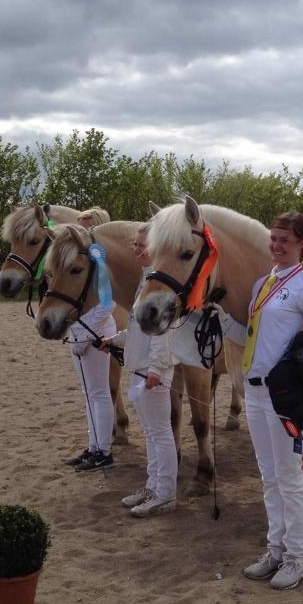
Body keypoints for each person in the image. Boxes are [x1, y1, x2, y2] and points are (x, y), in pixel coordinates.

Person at [216, 210, 303, 590]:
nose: (277, 245)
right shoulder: (262, 284)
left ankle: (296, 557)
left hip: (282, 396)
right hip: (253, 390)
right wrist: (217, 315)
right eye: (274, 238)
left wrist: (302, 388)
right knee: (268, 477)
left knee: (289, 477)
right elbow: (248, 333)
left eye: (285, 240)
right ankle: (276, 549)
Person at [100, 226, 178, 518]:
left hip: (152, 371)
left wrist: (157, 367)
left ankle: (165, 493)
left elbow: (163, 331)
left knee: (159, 433)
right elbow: (138, 325)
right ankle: (153, 485)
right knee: (150, 432)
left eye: (142, 245)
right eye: (135, 244)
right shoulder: (145, 279)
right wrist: (116, 340)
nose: (136, 249)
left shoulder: (161, 285)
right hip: (140, 366)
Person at [64, 207, 117, 472]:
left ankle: (104, 451)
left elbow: (107, 303)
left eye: (85, 227)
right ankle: (93, 445)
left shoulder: (100, 262)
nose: (80, 232)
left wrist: (85, 334)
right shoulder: (83, 261)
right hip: (80, 332)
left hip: (96, 331)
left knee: (99, 392)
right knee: (88, 393)